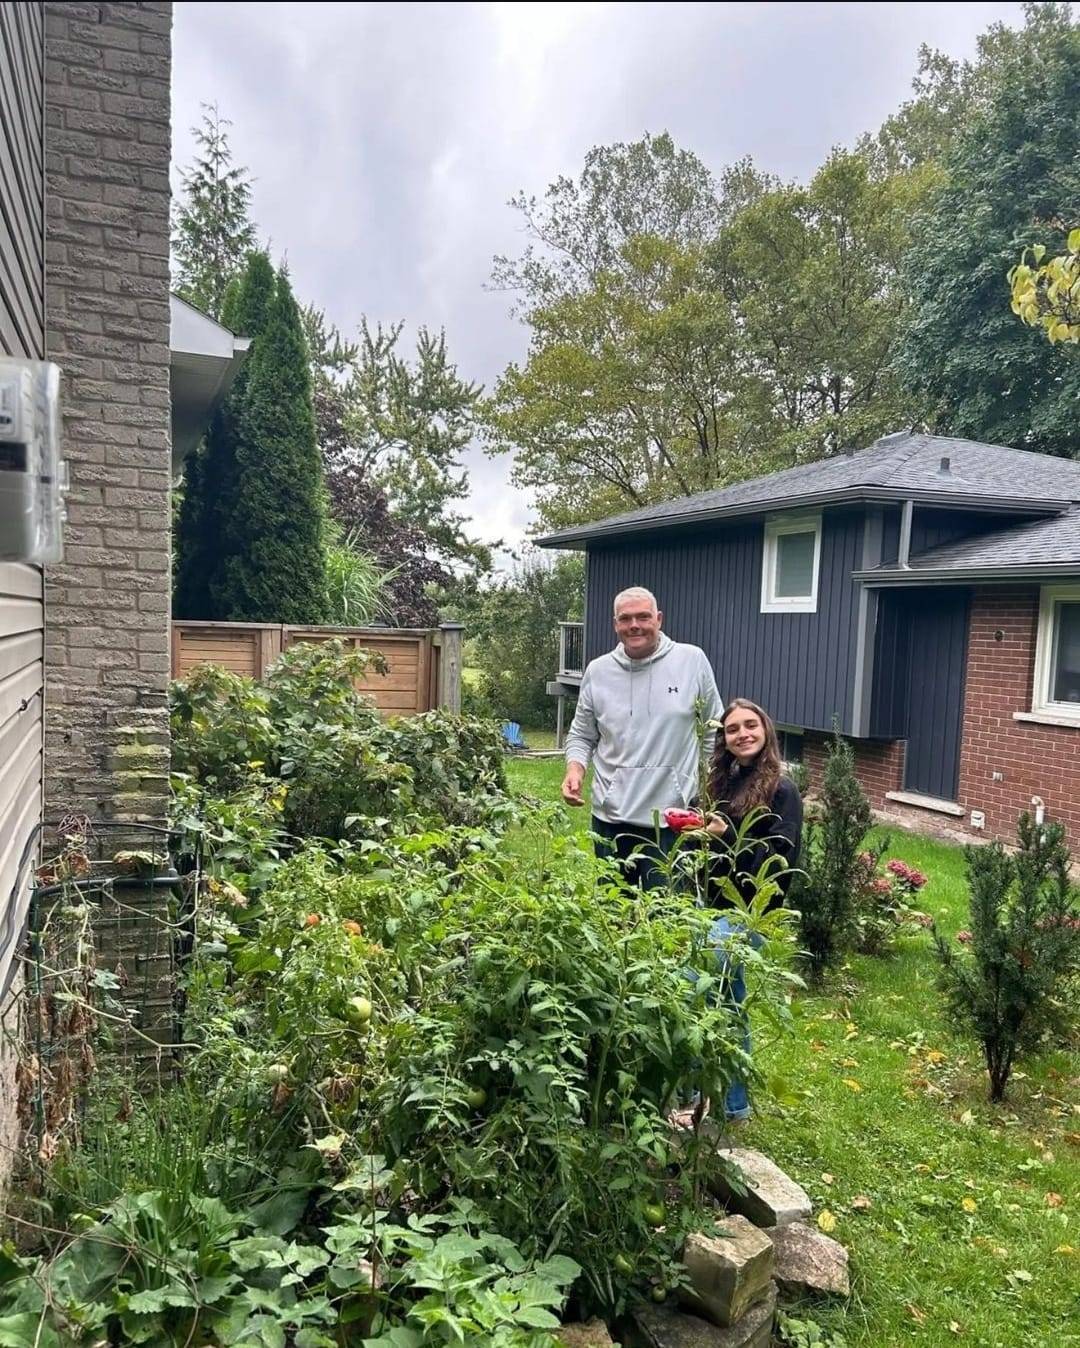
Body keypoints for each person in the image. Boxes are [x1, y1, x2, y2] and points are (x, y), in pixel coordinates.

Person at [561, 586, 723, 890]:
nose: (634, 625)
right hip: (610, 820)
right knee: (612, 908)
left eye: (643, 617)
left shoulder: (692, 661)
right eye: (625, 618)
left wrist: (709, 792)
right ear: (615, 624)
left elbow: (715, 731)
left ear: (659, 619)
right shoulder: (598, 671)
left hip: (672, 820)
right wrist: (574, 770)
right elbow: (582, 734)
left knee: (667, 910)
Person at [701, 697, 803, 1121]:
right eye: (732, 729)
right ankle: (716, 1100)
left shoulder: (782, 790)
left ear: (766, 731)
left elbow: (776, 861)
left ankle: (728, 1102)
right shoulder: (722, 783)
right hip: (711, 906)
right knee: (719, 995)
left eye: (750, 725)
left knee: (711, 985)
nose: (742, 734)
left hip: (749, 911)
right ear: (723, 739)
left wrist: (725, 837)